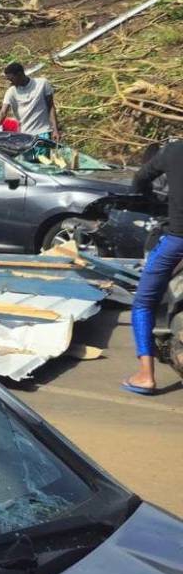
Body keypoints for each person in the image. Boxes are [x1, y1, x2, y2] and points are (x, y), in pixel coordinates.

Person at [124, 140, 183, 395]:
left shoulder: (173, 151)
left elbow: (140, 179)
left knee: (143, 304)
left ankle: (146, 375)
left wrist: (154, 199)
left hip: (177, 241)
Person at [0, 62, 60, 140]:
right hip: (24, 135)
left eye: (12, 79)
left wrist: (55, 130)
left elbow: (51, 107)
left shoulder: (42, 84)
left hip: (43, 132)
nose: (11, 82)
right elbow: (3, 112)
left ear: (20, 74)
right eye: (9, 80)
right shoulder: (11, 92)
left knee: (42, 152)